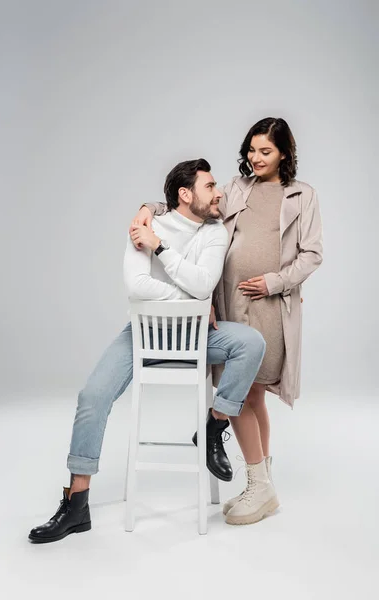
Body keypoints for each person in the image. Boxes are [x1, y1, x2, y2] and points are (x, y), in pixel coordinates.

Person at [28, 158, 267, 543]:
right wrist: (190, 300)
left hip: (196, 338)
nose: (219, 192)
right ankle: (76, 503)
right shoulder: (145, 223)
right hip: (143, 335)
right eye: (210, 186)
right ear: (185, 194)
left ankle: (213, 425)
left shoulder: (214, 233)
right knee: (92, 397)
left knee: (251, 343)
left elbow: (205, 282)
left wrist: (161, 249)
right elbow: (137, 287)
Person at [130, 117, 323, 525]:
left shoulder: (302, 195)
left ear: (285, 153)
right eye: (251, 150)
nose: (255, 158)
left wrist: (274, 281)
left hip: (270, 306)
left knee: (250, 393)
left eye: (265, 151)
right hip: (229, 303)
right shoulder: (237, 189)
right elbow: (199, 206)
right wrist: (150, 207)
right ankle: (262, 486)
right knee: (244, 392)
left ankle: (259, 486)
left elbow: (311, 254)